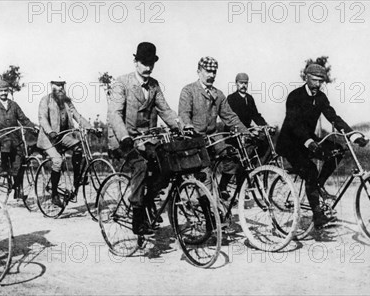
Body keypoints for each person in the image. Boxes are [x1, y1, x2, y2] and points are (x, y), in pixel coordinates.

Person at [108, 42, 188, 235]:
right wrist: (124, 136)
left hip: (147, 139)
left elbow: (165, 110)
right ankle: (137, 218)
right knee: (141, 166)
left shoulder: (154, 86)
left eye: (151, 63)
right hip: (123, 139)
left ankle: (148, 200)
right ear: (135, 62)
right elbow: (114, 114)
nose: (148, 67)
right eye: (144, 62)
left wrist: (183, 126)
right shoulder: (122, 83)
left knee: (168, 165)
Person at [276, 63, 368, 229]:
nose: (318, 84)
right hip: (290, 143)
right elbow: (294, 123)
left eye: (321, 81)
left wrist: (352, 134)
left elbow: (333, 116)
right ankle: (318, 215)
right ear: (306, 77)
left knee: (337, 150)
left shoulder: (321, 97)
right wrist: (308, 142)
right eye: (314, 80)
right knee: (310, 169)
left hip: (309, 140)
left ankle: (317, 185)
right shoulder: (294, 96)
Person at [178, 57, 249, 204]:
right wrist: (188, 126)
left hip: (212, 137)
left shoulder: (219, 95)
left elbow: (230, 117)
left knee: (233, 155)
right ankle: (209, 211)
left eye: (214, 72)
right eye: (207, 71)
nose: (211, 75)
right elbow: (184, 113)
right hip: (194, 139)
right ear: (199, 72)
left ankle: (222, 188)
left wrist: (245, 132)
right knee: (205, 175)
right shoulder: (189, 90)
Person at [38, 76, 92, 207]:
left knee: (79, 147)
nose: (60, 87)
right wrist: (50, 131)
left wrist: (90, 127)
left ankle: (77, 180)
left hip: (63, 137)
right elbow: (42, 118)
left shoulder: (67, 102)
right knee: (57, 161)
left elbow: (77, 116)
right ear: (52, 85)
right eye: (57, 84)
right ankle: (54, 194)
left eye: (62, 84)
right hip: (48, 139)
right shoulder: (45, 100)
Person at [0, 80, 36, 197]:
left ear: (8, 91)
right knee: (6, 144)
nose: (3, 93)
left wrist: (33, 127)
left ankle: (17, 189)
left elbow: (24, 119)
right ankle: (3, 168)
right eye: (1, 91)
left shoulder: (14, 105)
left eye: (5, 91)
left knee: (20, 158)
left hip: (14, 138)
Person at [226, 73, 271, 162]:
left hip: (247, 130)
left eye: (245, 83)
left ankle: (254, 166)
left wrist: (265, 125)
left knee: (264, 143)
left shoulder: (249, 98)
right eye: (241, 83)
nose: (243, 85)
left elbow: (255, 115)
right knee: (237, 160)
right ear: (236, 83)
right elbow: (230, 117)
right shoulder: (231, 98)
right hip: (234, 131)